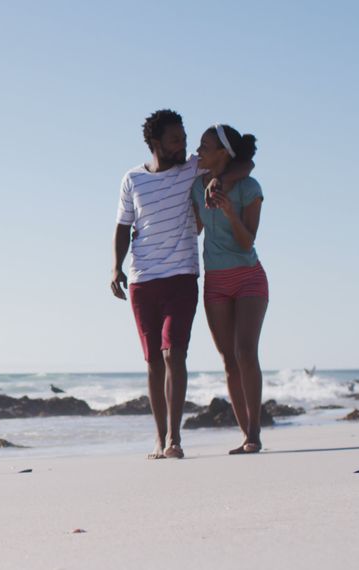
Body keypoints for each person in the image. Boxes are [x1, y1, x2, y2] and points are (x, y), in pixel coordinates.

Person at [111, 110, 251, 460]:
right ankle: (159, 439)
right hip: (144, 280)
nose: (184, 146)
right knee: (154, 362)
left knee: (174, 352)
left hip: (182, 275)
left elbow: (244, 164)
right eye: (176, 140)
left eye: (185, 139)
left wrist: (222, 181)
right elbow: (122, 227)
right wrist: (115, 267)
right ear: (155, 143)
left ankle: (175, 439)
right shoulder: (132, 179)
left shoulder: (191, 169)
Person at [191, 124, 267, 454]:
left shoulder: (249, 187)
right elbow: (194, 228)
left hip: (249, 275)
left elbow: (247, 240)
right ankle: (244, 434)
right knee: (228, 361)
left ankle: (255, 434)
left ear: (223, 153)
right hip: (215, 281)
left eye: (205, 146)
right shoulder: (196, 186)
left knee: (246, 352)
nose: (198, 151)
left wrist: (227, 210)